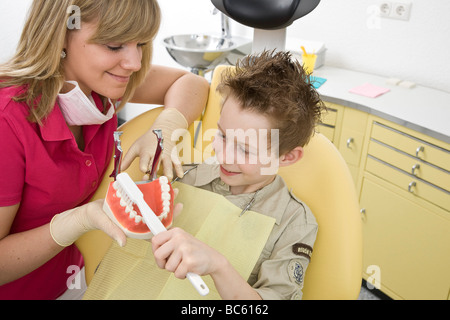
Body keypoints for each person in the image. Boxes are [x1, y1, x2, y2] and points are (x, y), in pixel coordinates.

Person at [0, 0, 209, 300]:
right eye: (114, 46)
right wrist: (74, 223)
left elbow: (190, 82)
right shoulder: (7, 120)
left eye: (141, 43)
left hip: (72, 284)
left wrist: (165, 125)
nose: (135, 62)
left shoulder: (98, 84)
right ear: (61, 35)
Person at [151, 50, 326, 300]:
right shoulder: (187, 174)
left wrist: (218, 266)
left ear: (287, 157)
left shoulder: (294, 222)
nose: (223, 156)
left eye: (245, 149)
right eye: (221, 135)